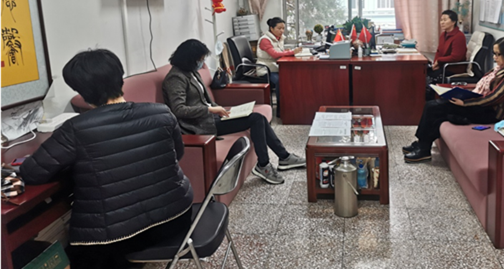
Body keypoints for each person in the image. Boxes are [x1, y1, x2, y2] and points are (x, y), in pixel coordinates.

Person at [20, 49, 193, 269]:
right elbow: (177, 154)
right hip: (177, 216)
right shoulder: (162, 113)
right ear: (120, 79)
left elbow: (31, 172)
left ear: (82, 92)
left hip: (115, 238)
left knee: (74, 253)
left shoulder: (76, 129)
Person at [162, 39, 305, 185]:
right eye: (200, 59)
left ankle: (283, 157)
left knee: (259, 118)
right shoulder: (176, 78)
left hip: (212, 117)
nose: (202, 63)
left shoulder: (191, 72)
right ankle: (266, 164)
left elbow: (203, 99)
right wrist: (210, 109)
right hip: (199, 125)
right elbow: (178, 110)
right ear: (189, 59)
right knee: (256, 119)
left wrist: (219, 109)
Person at [404, 37, 504, 163]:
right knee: (434, 107)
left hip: (491, 113)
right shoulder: (499, 69)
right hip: (480, 106)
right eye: (494, 53)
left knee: (434, 107)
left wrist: (465, 103)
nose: (495, 58)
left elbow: (494, 97)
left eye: (498, 54)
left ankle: (423, 149)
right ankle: (422, 144)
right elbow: (481, 88)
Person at [256, 17, 302, 117]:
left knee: (290, 76)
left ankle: (291, 104)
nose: (282, 31)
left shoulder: (278, 38)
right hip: (265, 69)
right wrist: (292, 52)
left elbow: (278, 51)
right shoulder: (265, 40)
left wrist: (286, 51)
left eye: (283, 28)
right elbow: (274, 54)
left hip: (274, 67)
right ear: (271, 28)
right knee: (281, 80)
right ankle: (281, 109)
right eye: (279, 28)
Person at [428, 10, 467, 82]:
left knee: (429, 75)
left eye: (445, 20)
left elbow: (456, 57)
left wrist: (439, 61)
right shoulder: (443, 35)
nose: (442, 22)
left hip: (453, 68)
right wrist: (435, 63)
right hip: (443, 65)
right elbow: (439, 51)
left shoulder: (459, 36)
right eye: (441, 20)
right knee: (425, 70)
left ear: (453, 22)